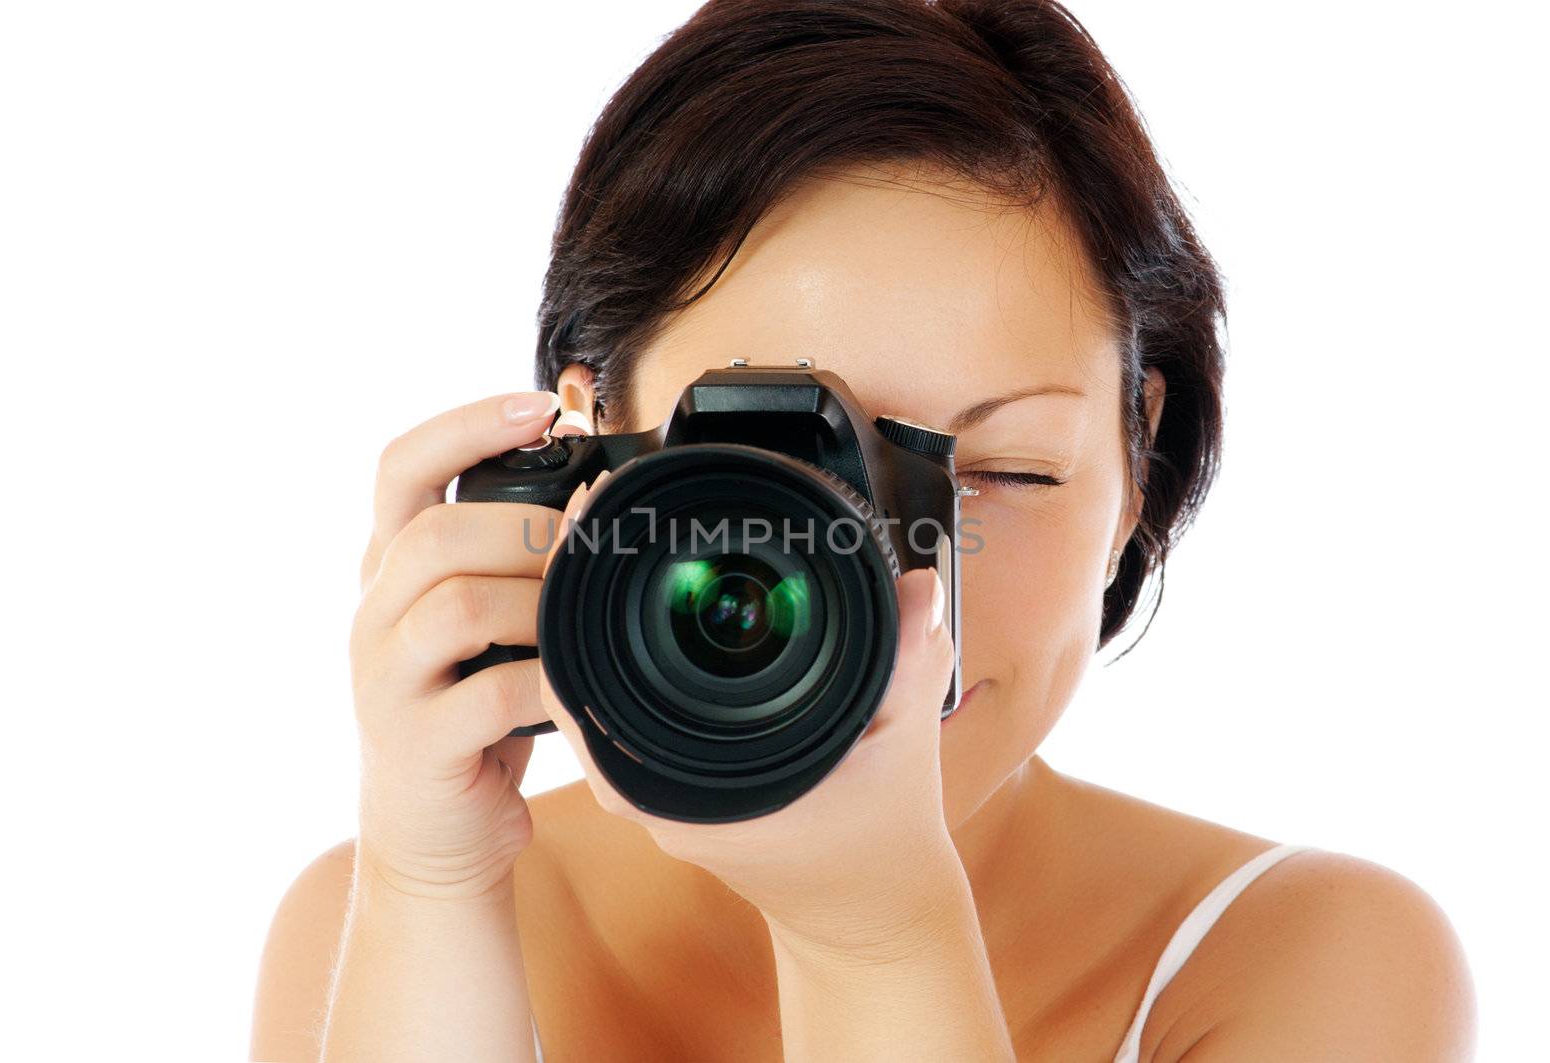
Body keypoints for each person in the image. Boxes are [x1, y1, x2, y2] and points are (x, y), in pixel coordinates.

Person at [250, 1, 1475, 1058]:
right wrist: (432, 885)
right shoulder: (385, 913)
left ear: (1134, 470)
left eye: (1004, 469)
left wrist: (875, 933)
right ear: (588, 449)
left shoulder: (1309, 958)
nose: (892, 571)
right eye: (778, 463)